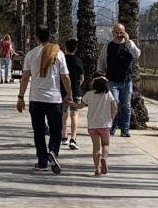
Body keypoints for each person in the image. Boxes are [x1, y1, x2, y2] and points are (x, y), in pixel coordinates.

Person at [17, 25, 73, 174]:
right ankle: (53, 151)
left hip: (36, 99)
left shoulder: (30, 55)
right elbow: (65, 77)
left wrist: (20, 97)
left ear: (36, 38)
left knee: (39, 131)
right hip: (54, 99)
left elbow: (24, 78)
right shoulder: (58, 53)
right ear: (49, 37)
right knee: (56, 130)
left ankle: (42, 162)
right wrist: (69, 94)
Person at [97, 23, 141, 137]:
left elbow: (137, 55)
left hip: (126, 80)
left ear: (125, 32)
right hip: (112, 80)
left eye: (121, 32)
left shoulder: (129, 44)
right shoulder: (109, 45)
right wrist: (100, 72)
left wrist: (128, 42)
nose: (119, 34)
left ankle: (125, 129)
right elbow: (101, 59)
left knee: (126, 105)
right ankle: (112, 127)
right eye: (117, 32)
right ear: (113, 33)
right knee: (114, 102)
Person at [70, 76, 118, 176]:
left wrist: (71, 103)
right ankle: (104, 158)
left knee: (96, 148)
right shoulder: (107, 94)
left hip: (92, 126)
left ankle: (97, 169)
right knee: (105, 144)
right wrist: (112, 118)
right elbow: (115, 107)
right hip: (105, 124)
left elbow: (80, 106)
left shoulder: (89, 94)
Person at [61, 39, 84, 150]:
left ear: (65, 48)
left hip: (63, 91)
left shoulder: (62, 60)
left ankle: (64, 136)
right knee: (74, 115)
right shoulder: (78, 61)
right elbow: (81, 78)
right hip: (75, 91)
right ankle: (73, 139)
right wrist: (77, 85)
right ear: (76, 49)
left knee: (64, 114)